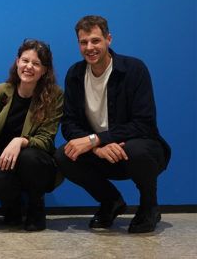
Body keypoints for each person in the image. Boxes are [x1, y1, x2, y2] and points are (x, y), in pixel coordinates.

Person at [55, 16, 170, 234]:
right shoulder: (75, 74)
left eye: (95, 40)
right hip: (101, 152)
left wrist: (97, 139)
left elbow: (144, 124)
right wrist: (96, 147)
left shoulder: (134, 69)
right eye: (84, 42)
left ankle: (149, 207)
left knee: (137, 150)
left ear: (108, 39)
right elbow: (69, 123)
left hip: (135, 150)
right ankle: (111, 202)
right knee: (64, 155)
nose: (90, 47)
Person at [0, 39, 63, 231]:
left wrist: (20, 141)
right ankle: (13, 205)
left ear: (44, 70)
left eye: (36, 63)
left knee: (29, 158)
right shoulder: (1, 92)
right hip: (5, 159)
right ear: (17, 62)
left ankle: (36, 206)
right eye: (25, 60)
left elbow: (46, 139)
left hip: (37, 160)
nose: (29, 67)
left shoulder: (54, 95)